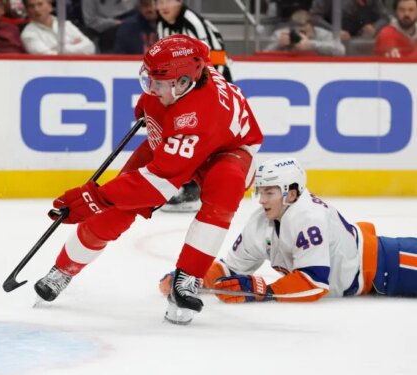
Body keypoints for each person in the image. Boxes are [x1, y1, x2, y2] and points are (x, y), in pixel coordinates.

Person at [34, 35, 264, 325]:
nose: (151, 89)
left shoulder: (196, 114)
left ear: (183, 83)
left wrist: (95, 197)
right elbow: (158, 152)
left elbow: (157, 184)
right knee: (116, 211)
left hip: (227, 151)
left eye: (159, 82)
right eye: (149, 80)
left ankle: (187, 279)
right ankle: (63, 270)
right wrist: (104, 201)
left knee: (224, 189)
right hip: (179, 142)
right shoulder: (179, 82)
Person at [160, 157, 417, 303]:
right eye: (260, 191)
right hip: (373, 277)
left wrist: (262, 290)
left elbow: (314, 284)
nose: (261, 199)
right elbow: (231, 267)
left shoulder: (308, 217)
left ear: (291, 193)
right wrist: (191, 277)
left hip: (394, 263)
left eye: (269, 192)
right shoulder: (261, 221)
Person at [153, 0, 233, 213]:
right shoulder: (162, 24)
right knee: (182, 132)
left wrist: (204, 95)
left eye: (167, 0)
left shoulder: (192, 23)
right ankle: (188, 184)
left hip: (214, 80)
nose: (162, 5)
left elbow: (210, 60)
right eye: (158, 1)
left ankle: (194, 188)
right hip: (187, 83)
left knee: (198, 133)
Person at [21, 0, 95, 55]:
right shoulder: (28, 34)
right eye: (31, 6)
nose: (36, 9)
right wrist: (72, 46)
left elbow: (90, 47)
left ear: (50, 7)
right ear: (27, 11)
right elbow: (46, 57)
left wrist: (57, 48)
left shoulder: (67, 25)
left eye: (40, 4)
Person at [265, 9, 345, 56]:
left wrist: (310, 45)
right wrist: (278, 45)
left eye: (303, 31)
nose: (300, 34)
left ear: (311, 26)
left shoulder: (324, 34)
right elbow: (264, 55)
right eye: (296, 29)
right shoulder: (280, 34)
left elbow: (341, 50)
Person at [310, 0, 389, 43]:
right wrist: (334, 31)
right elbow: (314, 17)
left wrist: (374, 27)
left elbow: (385, 17)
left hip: (363, 44)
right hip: (332, 43)